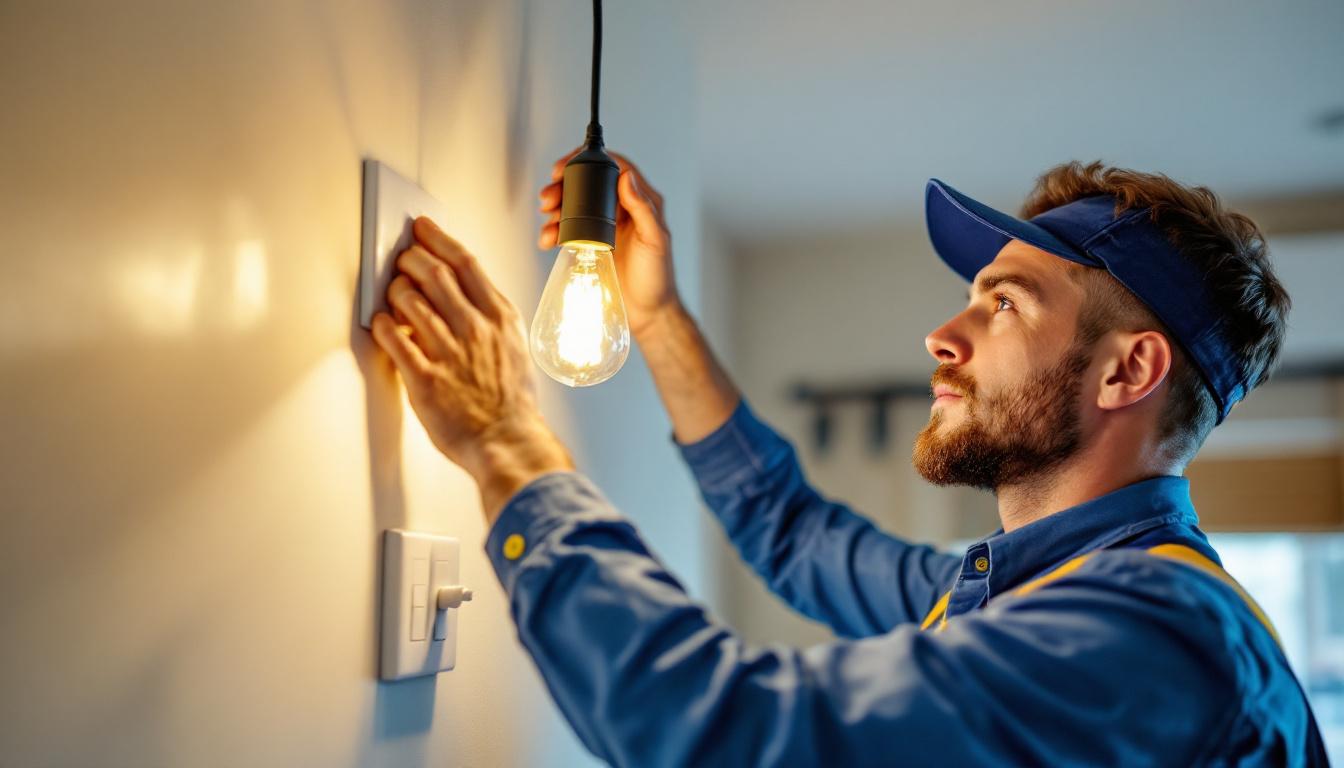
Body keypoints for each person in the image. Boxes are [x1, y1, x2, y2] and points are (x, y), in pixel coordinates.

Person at [369, 152, 1329, 766]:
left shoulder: (1156, 635)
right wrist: (654, 314)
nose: (940, 335)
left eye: (1004, 303)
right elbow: (793, 534)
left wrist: (505, 442)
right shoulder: (1013, 589)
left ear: (1129, 371)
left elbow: (733, 738)